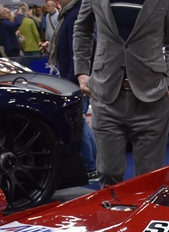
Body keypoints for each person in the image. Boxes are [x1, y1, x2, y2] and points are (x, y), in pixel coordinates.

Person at [74, 0, 169, 184]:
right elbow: (82, 29)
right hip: (106, 94)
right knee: (108, 173)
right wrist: (81, 71)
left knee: (149, 179)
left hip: (152, 97)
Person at [44, 0, 98, 181]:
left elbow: (82, 50)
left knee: (77, 124)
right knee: (80, 123)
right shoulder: (70, 13)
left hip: (75, 80)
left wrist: (75, 79)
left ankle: (90, 167)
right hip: (74, 78)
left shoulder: (76, 14)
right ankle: (93, 164)